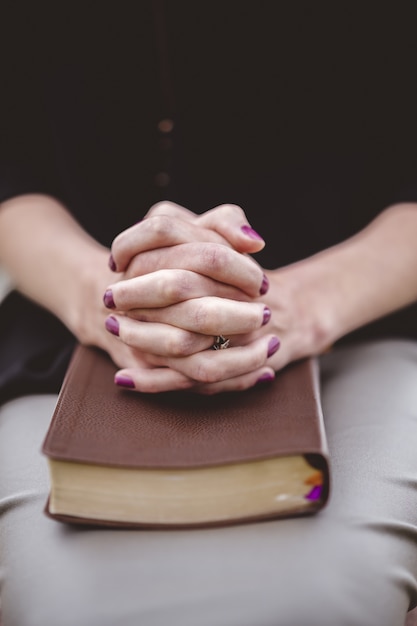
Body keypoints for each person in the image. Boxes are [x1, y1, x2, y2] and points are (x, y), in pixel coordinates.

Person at [1, 2, 417, 625]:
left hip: (362, 329)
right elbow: (16, 175)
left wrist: (298, 307)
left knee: (316, 595)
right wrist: (110, 296)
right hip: (71, 341)